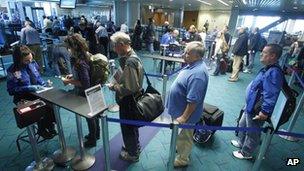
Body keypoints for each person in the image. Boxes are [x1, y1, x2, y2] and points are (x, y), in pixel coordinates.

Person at [231, 44, 284, 159]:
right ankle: (241, 142)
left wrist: (264, 112)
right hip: (250, 105)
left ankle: (246, 152)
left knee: (253, 131)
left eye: (264, 52)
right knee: (242, 124)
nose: (261, 54)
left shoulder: (274, 72)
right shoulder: (268, 68)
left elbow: (271, 95)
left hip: (257, 108)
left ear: (272, 56)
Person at [166, 41, 209, 167]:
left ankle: (183, 159)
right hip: (179, 110)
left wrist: (184, 118)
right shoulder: (193, 65)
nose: (184, 55)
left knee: (185, 137)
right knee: (181, 135)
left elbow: (193, 101)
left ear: (197, 56)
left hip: (186, 115)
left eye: (187, 53)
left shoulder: (198, 74)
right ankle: (180, 149)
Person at [108, 32, 144, 162]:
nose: (114, 49)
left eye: (115, 46)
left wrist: (113, 87)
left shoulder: (130, 61)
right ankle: (133, 146)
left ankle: (132, 154)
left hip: (128, 101)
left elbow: (129, 88)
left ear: (122, 45)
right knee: (131, 127)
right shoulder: (132, 56)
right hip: (134, 99)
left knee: (128, 127)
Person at [7, 45, 56, 139]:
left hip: (37, 94)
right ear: (18, 60)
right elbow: (11, 90)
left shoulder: (32, 63)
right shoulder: (12, 70)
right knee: (38, 108)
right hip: (22, 97)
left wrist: (44, 83)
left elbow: (37, 77)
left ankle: (49, 125)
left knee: (52, 105)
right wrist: (28, 88)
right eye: (26, 60)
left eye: (30, 59)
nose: (29, 62)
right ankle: (41, 129)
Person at [63, 34, 100, 148]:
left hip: (86, 93)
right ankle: (96, 134)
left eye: (68, 47)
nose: (67, 50)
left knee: (90, 116)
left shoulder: (80, 62)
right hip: (95, 90)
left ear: (74, 47)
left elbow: (85, 84)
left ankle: (92, 140)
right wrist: (72, 76)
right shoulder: (88, 55)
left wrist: (68, 81)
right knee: (95, 114)